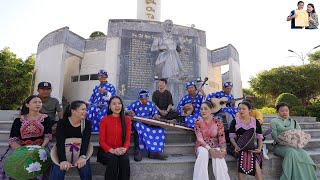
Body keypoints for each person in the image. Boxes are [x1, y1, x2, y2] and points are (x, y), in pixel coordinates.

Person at [0, 95, 52, 180]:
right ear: (27, 105)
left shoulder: (46, 118)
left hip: (41, 147)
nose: (38, 104)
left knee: (44, 161)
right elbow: (13, 139)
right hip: (21, 148)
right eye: (35, 102)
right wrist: (23, 151)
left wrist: (40, 148)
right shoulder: (18, 120)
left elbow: (47, 136)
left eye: (40, 102)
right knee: (5, 163)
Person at [270, 102, 317, 180]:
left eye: (286, 110)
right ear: (277, 112)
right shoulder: (274, 121)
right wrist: (285, 141)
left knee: (304, 154)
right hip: (279, 146)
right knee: (291, 152)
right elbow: (274, 136)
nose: (285, 112)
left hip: (294, 146)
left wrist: (295, 141)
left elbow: (299, 135)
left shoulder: (294, 122)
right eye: (282, 110)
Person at [50, 101, 92, 180]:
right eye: (82, 109)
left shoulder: (87, 123)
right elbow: (60, 142)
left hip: (80, 153)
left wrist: (82, 157)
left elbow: (86, 141)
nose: (85, 112)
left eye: (86, 110)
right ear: (73, 111)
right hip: (64, 152)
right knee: (59, 169)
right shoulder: (62, 123)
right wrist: (62, 160)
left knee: (85, 169)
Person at [126, 89, 167, 161]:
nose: (144, 101)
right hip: (138, 123)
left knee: (160, 130)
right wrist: (128, 112)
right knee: (138, 126)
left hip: (149, 123)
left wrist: (156, 116)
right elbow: (126, 110)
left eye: (145, 99)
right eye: (142, 99)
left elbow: (155, 113)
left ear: (148, 98)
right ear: (139, 98)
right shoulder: (135, 104)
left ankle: (154, 152)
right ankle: (138, 151)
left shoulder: (151, 104)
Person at [193, 101, 230, 180]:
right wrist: (209, 149)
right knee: (203, 153)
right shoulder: (197, 122)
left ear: (211, 110)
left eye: (205, 109)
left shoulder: (218, 122)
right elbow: (199, 139)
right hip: (202, 146)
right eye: (201, 109)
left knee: (218, 153)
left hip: (215, 145)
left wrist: (223, 149)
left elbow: (221, 137)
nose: (203, 111)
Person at [97, 96, 131, 180]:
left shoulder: (127, 119)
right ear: (109, 106)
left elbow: (127, 139)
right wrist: (112, 150)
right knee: (113, 158)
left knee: (125, 159)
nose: (117, 106)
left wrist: (124, 149)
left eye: (119, 103)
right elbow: (102, 142)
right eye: (114, 104)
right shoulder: (104, 120)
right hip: (106, 151)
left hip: (121, 150)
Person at [229, 101, 263, 180]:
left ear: (249, 110)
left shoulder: (255, 121)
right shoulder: (235, 121)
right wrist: (236, 146)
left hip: (252, 146)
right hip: (238, 146)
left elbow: (259, 137)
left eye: (243, 109)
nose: (241, 111)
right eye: (239, 109)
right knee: (241, 159)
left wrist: (259, 148)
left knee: (254, 161)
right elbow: (232, 137)